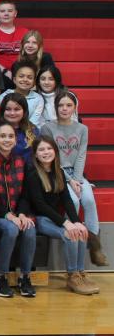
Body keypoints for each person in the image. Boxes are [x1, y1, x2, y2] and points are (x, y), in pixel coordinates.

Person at [42, 91, 107, 266]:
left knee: (88, 200)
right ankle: (73, 241)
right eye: (60, 105)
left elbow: (81, 155)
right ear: (55, 108)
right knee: (74, 202)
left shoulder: (82, 129)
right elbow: (51, 157)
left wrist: (77, 179)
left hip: (77, 174)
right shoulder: (48, 128)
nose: (64, 109)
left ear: (75, 107)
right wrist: (70, 180)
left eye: (68, 105)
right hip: (57, 171)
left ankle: (94, 244)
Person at [28, 136, 98, 295]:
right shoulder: (33, 174)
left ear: (55, 151)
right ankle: (72, 275)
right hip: (38, 218)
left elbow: (66, 200)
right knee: (70, 234)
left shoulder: (58, 171)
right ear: (35, 154)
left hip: (54, 217)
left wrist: (77, 221)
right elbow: (40, 206)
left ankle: (80, 273)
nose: (46, 152)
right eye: (41, 149)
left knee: (80, 231)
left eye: (49, 148)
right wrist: (65, 223)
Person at [0, 122, 37, 298]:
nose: (7, 140)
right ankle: (1, 277)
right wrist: (8, 215)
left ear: (16, 140)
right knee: (11, 229)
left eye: (10, 136)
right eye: (2, 136)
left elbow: (25, 193)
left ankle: (25, 277)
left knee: (30, 229)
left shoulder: (22, 161)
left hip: (19, 212)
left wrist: (22, 214)